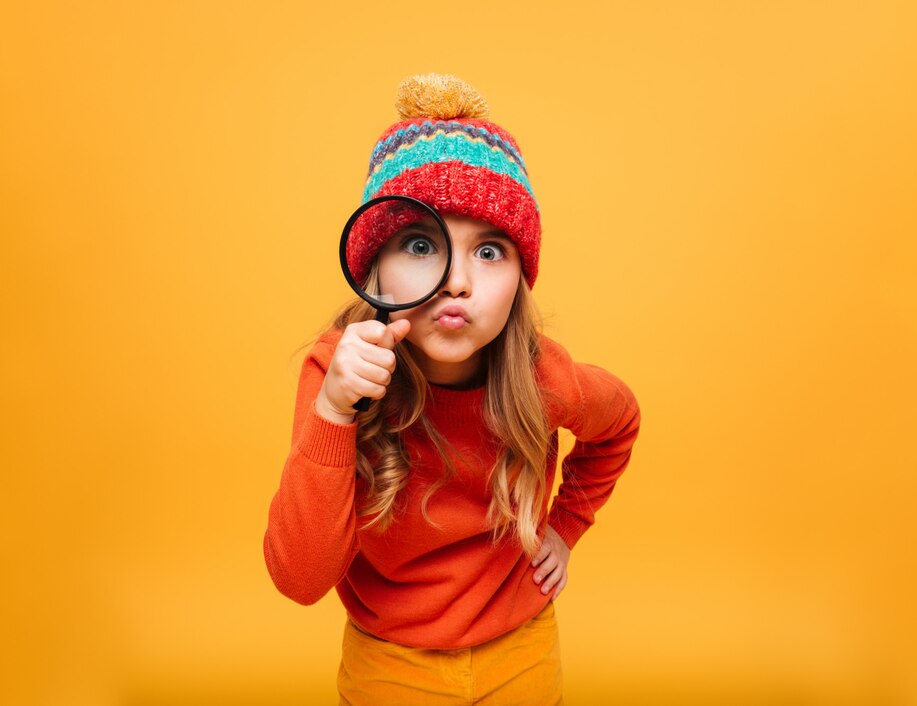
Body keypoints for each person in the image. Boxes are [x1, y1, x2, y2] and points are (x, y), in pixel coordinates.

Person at [263, 73, 641, 705]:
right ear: (374, 267)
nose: (457, 281)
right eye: (421, 245)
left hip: (519, 644)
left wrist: (565, 525)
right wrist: (334, 411)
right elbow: (299, 578)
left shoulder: (541, 376)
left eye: (489, 251)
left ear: (522, 275)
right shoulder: (336, 374)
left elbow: (621, 420)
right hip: (390, 659)